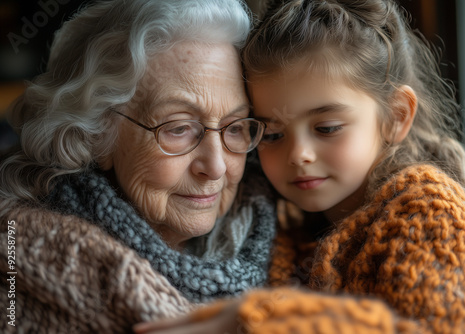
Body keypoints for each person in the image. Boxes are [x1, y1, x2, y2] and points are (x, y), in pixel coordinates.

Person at [134, 0, 465, 333]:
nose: (299, 155)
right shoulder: (282, 222)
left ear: (396, 116)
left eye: (326, 128)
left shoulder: (426, 209)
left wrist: (255, 320)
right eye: (272, 135)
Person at [0, 0, 278, 332]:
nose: (216, 166)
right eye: (178, 129)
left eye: (234, 128)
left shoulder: (292, 234)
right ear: (96, 135)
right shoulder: (18, 269)